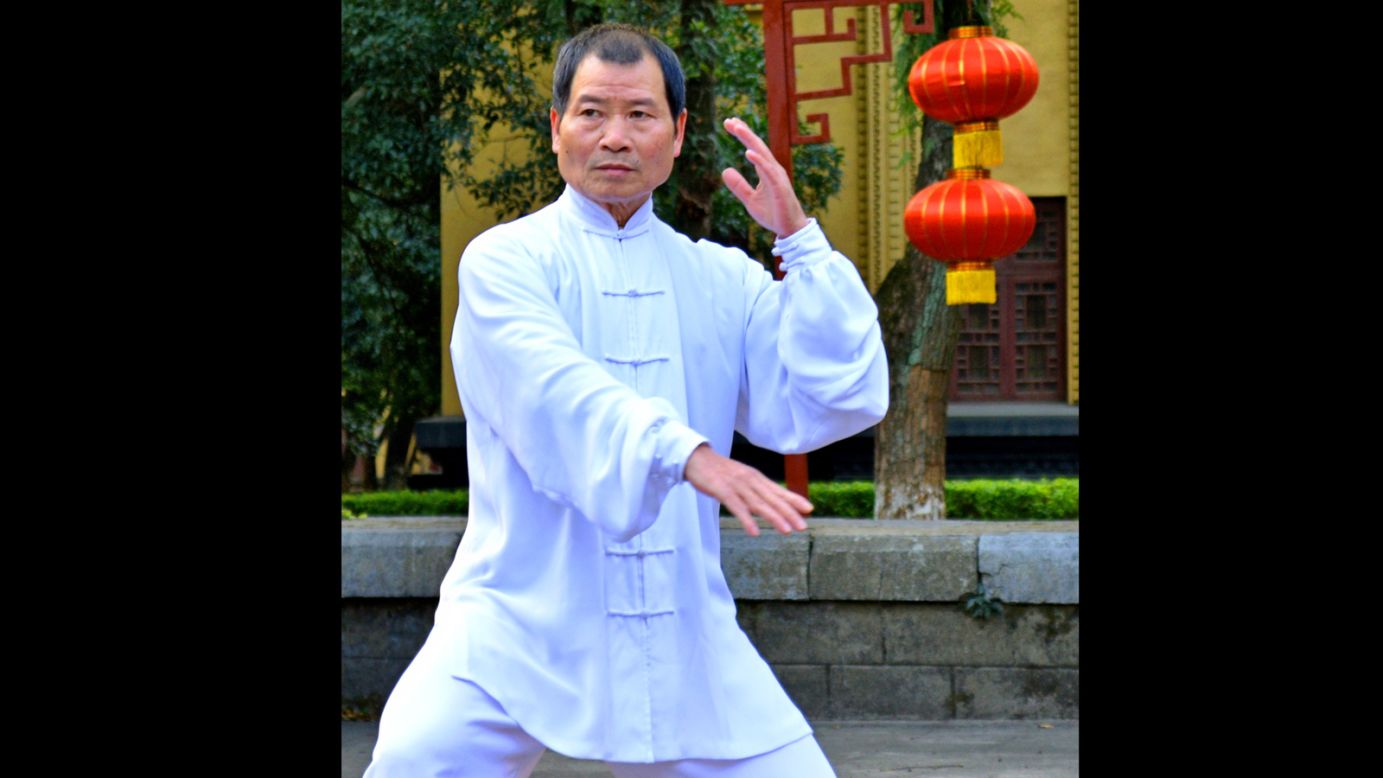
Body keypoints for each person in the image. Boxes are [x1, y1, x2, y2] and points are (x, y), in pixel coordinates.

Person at [364, 23, 888, 777]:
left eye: (639, 115)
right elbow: (552, 388)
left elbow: (833, 393)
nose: (614, 136)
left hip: (681, 624)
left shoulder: (720, 277)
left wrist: (798, 238)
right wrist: (687, 454)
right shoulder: (505, 262)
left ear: (675, 135)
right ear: (555, 129)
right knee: (417, 760)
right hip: (517, 617)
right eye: (590, 113)